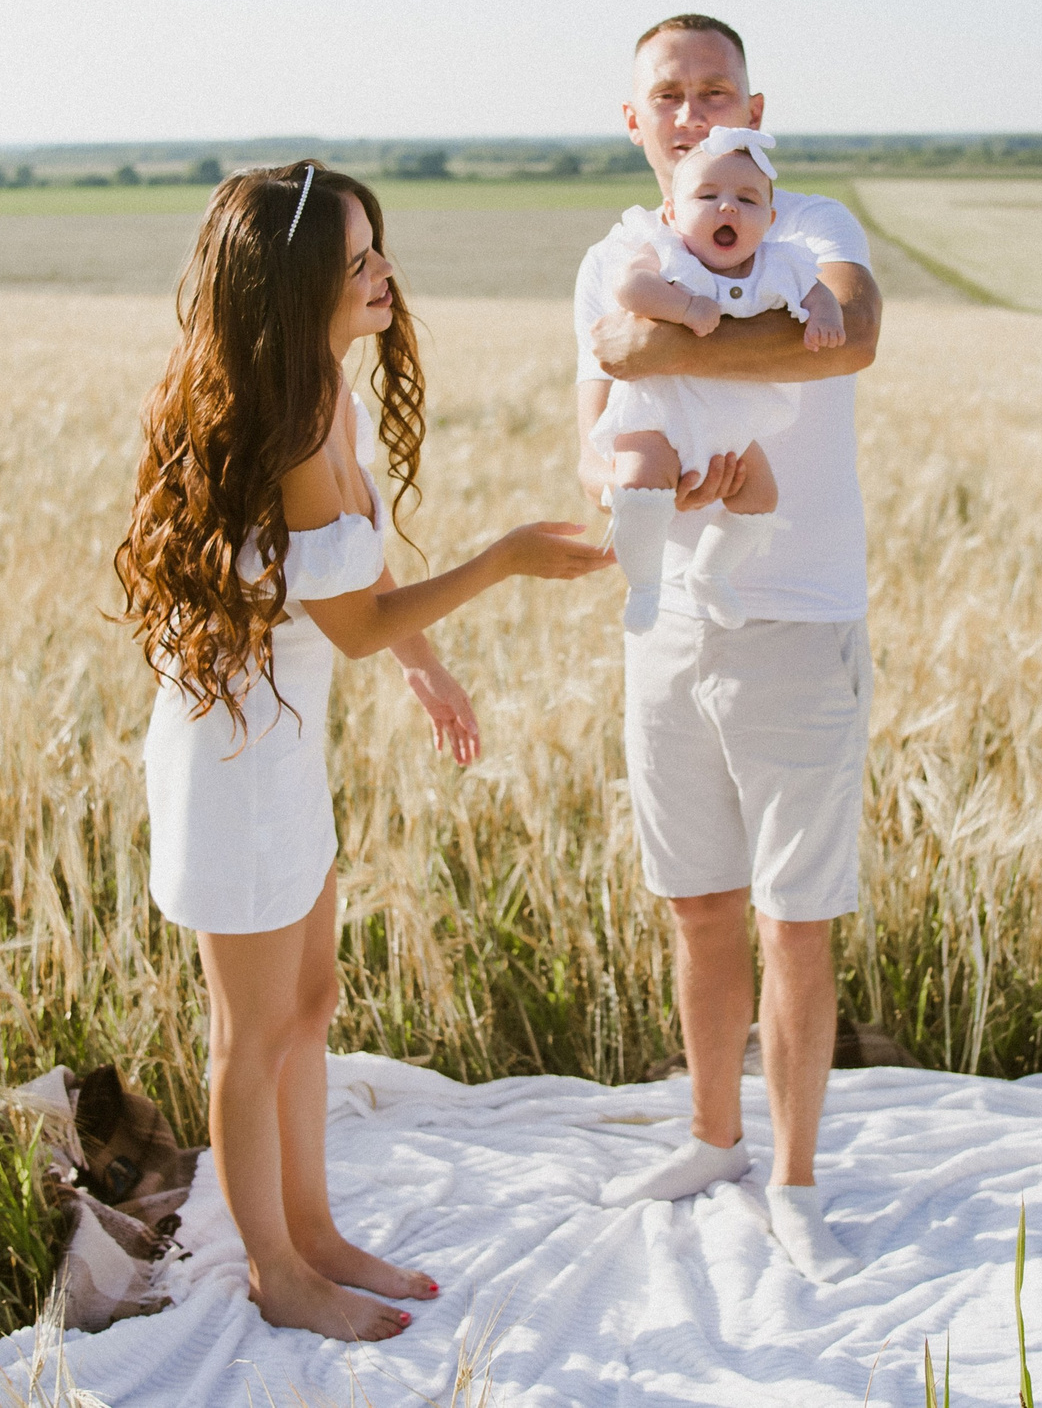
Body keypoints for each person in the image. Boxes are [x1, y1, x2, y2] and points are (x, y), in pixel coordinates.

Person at [118, 161, 611, 1341]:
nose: (385, 271)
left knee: (312, 1003)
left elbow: (356, 559)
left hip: (284, 748)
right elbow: (349, 622)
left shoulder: (321, 389)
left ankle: (318, 1234)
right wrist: (497, 562)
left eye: (378, 246)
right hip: (229, 763)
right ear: (295, 286)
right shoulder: (280, 425)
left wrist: (426, 664)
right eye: (358, 258)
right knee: (250, 1034)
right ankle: (274, 1273)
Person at [574, 16, 883, 1282]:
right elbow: (593, 420)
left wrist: (668, 338)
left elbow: (851, 333)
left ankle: (797, 1178)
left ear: (758, 104)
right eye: (670, 97)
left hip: (800, 615)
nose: (695, 113)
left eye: (716, 92)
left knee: (793, 918)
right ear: (635, 122)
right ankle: (712, 1138)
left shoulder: (808, 221)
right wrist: (641, 481)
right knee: (696, 906)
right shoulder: (609, 249)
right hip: (669, 622)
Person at [588, 125, 846, 632]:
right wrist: (683, 306)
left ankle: (711, 572)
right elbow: (631, 289)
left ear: (769, 221)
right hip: (659, 415)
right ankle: (644, 584)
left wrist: (825, 317)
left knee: (759, 499)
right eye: (707, 196)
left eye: (747, 200)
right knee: (640, 487)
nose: (727, 208)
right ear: (671, 213)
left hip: (730, 424)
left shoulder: (778, 264)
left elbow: (818, 293)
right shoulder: (664, 254)